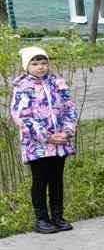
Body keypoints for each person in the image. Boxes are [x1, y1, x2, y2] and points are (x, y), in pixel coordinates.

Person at [9, 46, 78, 233]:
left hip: (60, 143)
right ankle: (41, 219)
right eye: (35, 63)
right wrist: (48, 137)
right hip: (37, 145)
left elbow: (69, 108)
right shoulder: (23, 87)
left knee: (57, 180)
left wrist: (67, 131)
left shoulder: (57, 83)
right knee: (40, 180)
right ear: (26, 66)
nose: (40, 67)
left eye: (44, 63)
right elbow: (21, 115)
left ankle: (58, 216)